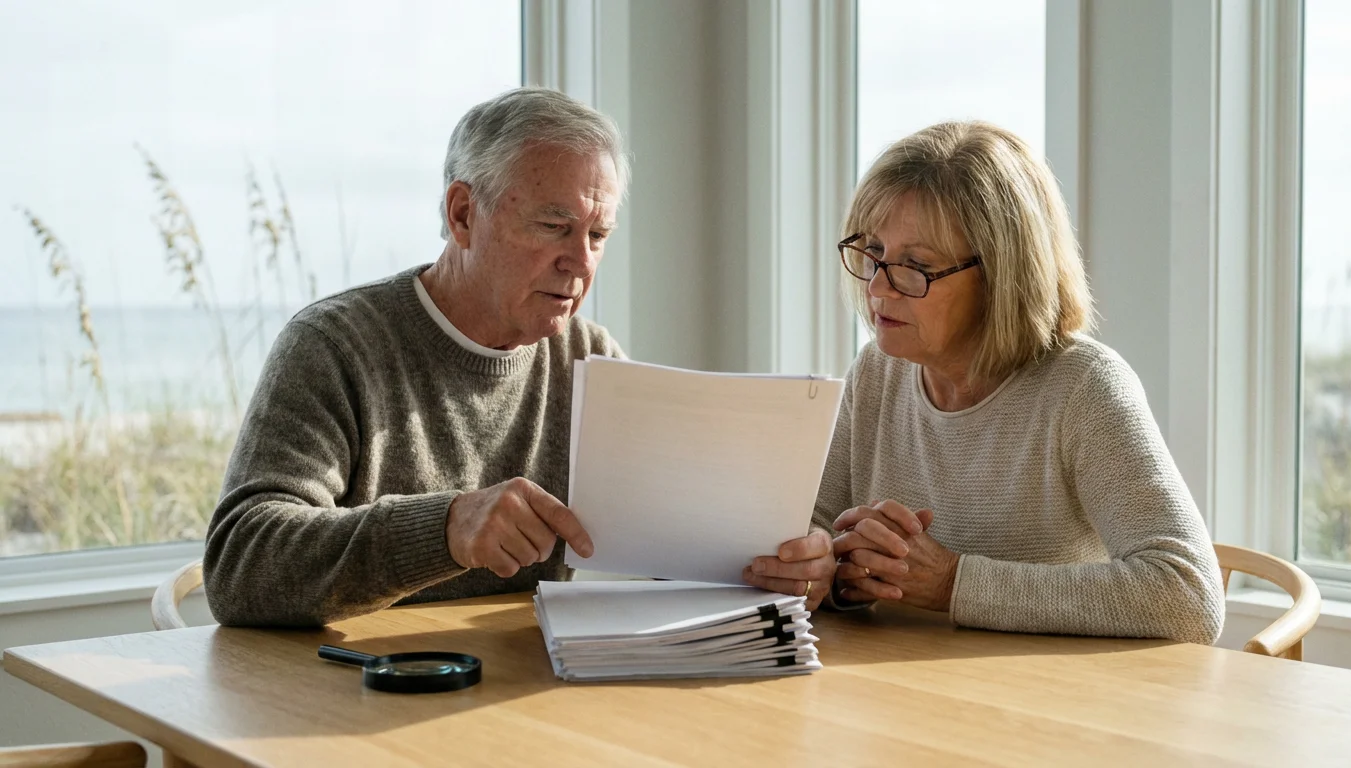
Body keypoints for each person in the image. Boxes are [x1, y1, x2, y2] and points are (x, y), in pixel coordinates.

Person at [205, 87, 834, 626]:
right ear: (462, 214)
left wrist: (776, 564)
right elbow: (240, 564)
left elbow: (673, 555)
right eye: (552, 226)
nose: (581, 262)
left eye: (597, 234)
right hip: (348, 696)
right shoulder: (335, 346)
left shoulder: (590, 360)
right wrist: (447, 528)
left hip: (514, 691)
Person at [813, 121, 1224, 644]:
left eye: (915, 266)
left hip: (1047, 709)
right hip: (901, 693)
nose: (876, 287)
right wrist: (829, 570)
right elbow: (817, 527)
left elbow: (1187, 597)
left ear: (1003, 276)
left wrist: (952, 583)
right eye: (872, 252)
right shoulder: (876, 370)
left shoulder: (1085, 388)